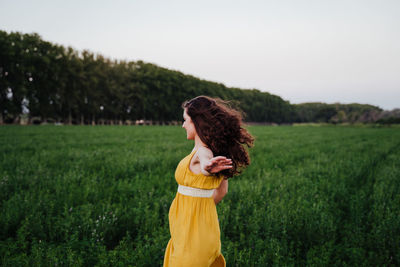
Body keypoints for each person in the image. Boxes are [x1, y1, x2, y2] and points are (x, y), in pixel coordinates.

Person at [163, 96, 254, 267]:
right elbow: (222, 191)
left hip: (193, 236)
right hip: (197, 229)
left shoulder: (203, 153)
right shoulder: (210, 150)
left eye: (185, 120)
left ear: (197, 122)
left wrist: (207, 167)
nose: (183, 125)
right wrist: (200, 207)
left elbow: (205, 162)